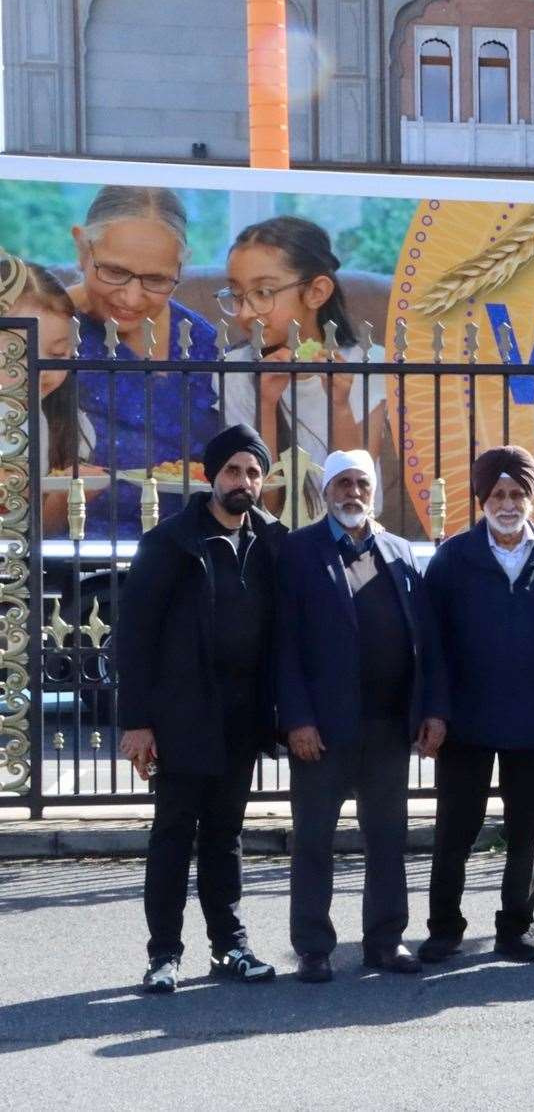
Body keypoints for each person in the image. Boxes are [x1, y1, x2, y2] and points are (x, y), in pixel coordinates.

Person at [115, 424, 287, 993]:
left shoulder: (271, 542)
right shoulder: (171, 543)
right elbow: (134, 637)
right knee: (173, 836)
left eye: (254, 472)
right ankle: (163, 954)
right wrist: (138, 722)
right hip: (182, 715)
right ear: (211, 475)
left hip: (242, 718)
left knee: (225, 835)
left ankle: (229, 947)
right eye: (234, 470)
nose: (244, 482)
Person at [276, 448, 448, 982]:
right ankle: (313, 946)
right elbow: (284, 646)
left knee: (387, 836)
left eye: (363, 485)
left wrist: (433, 710)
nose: (354, 493)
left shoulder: (398, 550)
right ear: (325, 492)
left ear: (374, 492)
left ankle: (385, 940)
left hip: (388, 726)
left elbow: (427, 640)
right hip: (321, 730)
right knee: (313, 839)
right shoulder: (298, 552)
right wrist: (297, 720)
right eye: (343, 484)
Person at [419, 446, 534, 965]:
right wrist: (434, 711)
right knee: (456, 829)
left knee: (526, 830)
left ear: (531, 500)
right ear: (482, 499)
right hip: (465, 720)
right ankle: (444, 927)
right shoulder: (452, 560)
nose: (508, 504)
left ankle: (516, 928)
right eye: (498, 494)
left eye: (517, 494)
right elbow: (431, 644)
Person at [68, 185, 222, 542]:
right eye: (114, 271)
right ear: (81, 247)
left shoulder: (203, 342)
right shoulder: (50, 335)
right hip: (75, 551)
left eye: (156, 279)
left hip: (189, 551)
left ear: (181, 267)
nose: (132, 297)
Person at [218, 216, 392, 478]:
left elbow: (357, 491)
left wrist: (340, 405)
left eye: (263, 293)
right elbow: (262, 501)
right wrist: (265, 403)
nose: (244, 313)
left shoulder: (369, 363)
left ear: (316, 292)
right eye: (236, 294)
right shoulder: (233, 370)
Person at [11, 261, 100, 537]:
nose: (43, 370)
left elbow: (42, 533)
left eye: (59, 355)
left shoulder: (73, 425)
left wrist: (69, 496)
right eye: (22, 354)